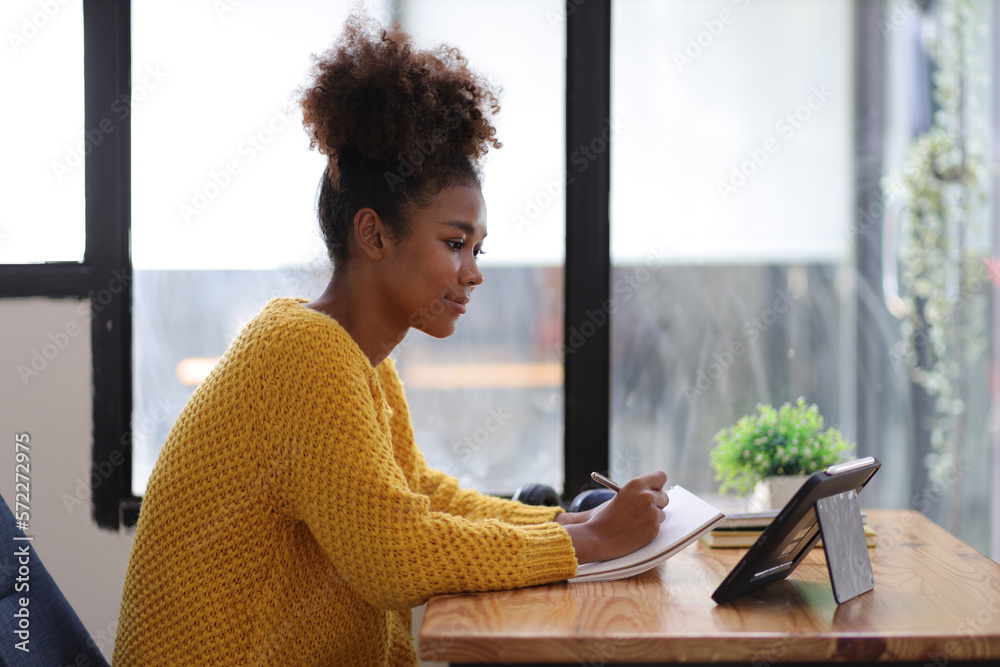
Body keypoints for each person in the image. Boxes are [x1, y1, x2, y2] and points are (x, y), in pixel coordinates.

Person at [113, 15, 668, 666]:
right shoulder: (302, 352)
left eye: (478, 247)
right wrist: (587, 543)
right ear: (374, 235)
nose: (475, 270)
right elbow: (394, 553)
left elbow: (420, 495)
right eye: (454, 242)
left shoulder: (358, 359)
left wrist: (569, 523)